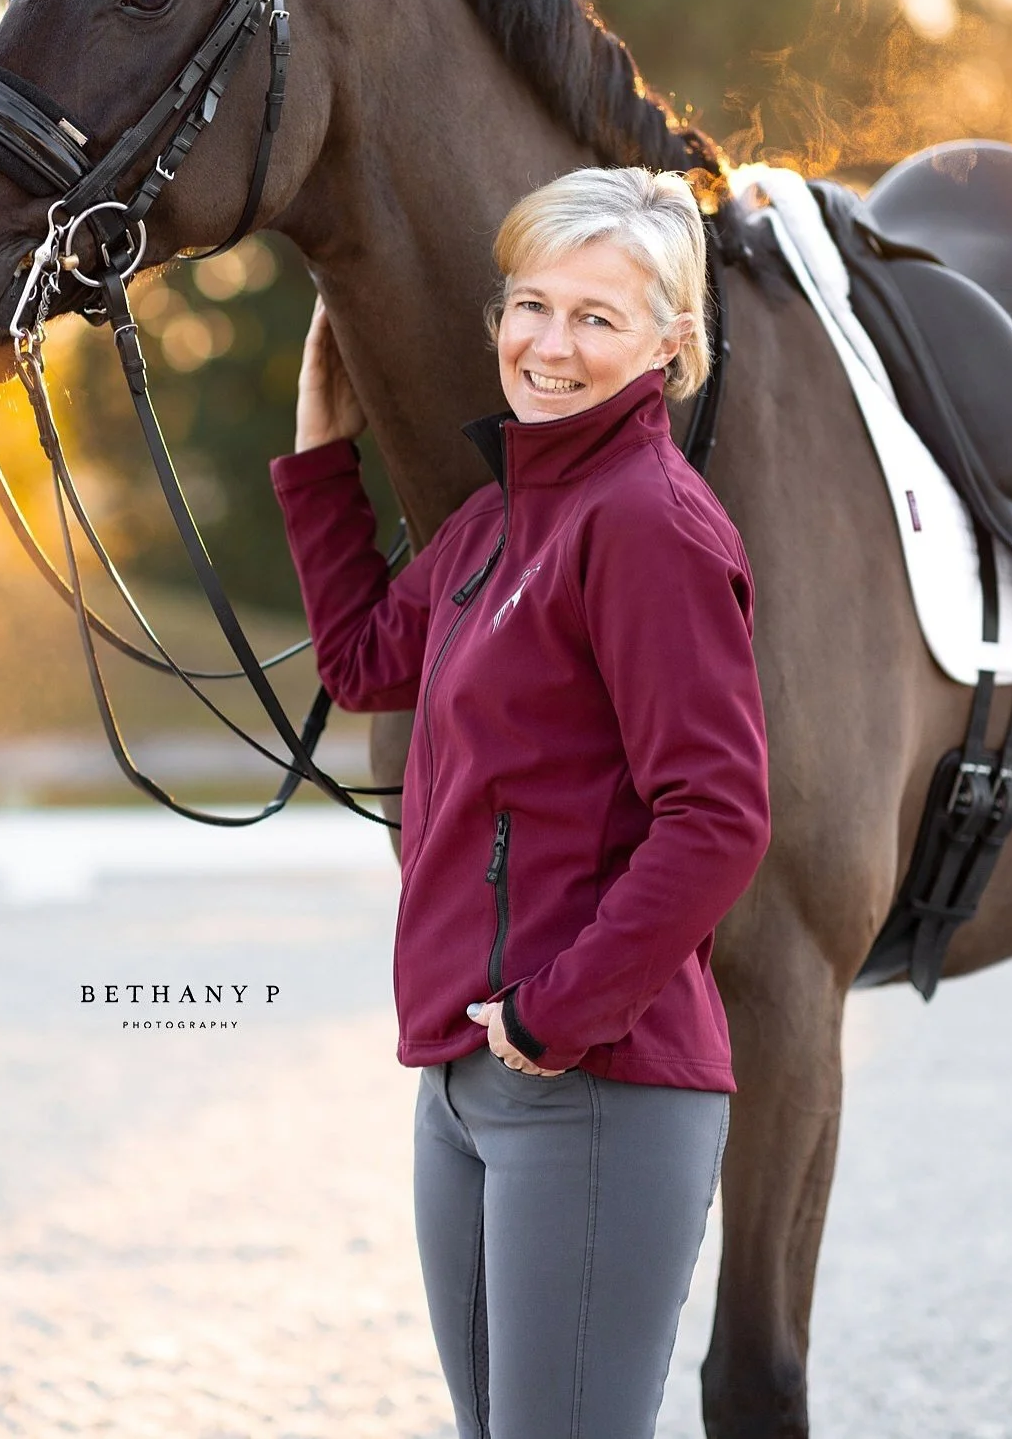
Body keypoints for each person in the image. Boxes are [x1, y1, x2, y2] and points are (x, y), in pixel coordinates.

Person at [269, 165, 771, 1439]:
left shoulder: (650, 524)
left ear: (669, 344)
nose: (549, 344)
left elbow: (718, 814)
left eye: (596, 317)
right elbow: (363, 662)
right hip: (464, 1077)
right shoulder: (500, 518)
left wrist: (556, 1016)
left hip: (592, 1080)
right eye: (531, 305)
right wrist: (320, 455)